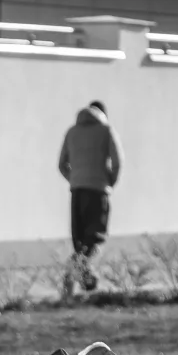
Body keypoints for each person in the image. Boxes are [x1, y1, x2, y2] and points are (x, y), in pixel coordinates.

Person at [58, 100, 123, 294]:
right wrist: (108, 181)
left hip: (77, 192)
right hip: (97, 192)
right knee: (94, 239)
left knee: (80, 242)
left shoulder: (71, 132)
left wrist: (75, 179)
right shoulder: (106, 130)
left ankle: (78, 285)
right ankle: (74, 275)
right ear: (103, 114)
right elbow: (118, 161)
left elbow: (62, 164)